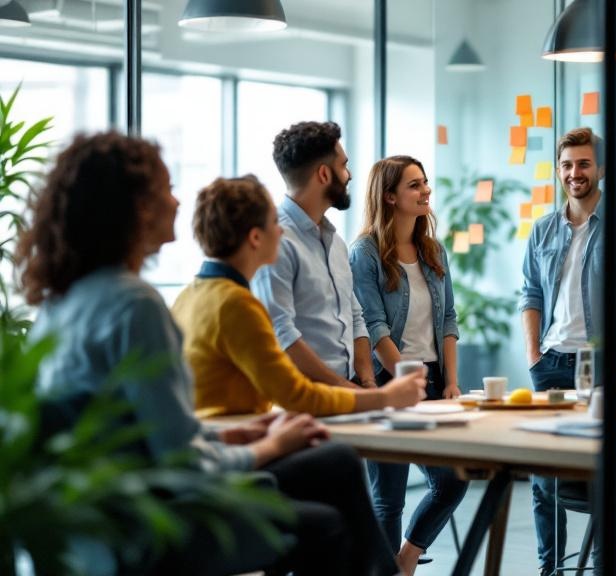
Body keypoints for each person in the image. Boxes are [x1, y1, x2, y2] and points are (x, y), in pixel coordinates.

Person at [17, 131, 409, 575]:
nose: (178, 203)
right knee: (327, 513)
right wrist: (271, 445)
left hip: (107, 512)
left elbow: (140, 433)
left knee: (333, 463)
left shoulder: (61, 305)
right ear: (134, 209)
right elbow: (183, 463)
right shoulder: (136, 305)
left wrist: (230, 437)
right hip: (157, 515)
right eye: (166, 189)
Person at [520, 127, 616, 575]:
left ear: (599, 168)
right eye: (566, 165)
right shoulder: (542, 229)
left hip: (603, 367)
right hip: (552, 364)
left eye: (583, 164)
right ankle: (551, 569)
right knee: (544, 478)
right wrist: (533, 359)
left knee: (603, 477)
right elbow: (530, 297)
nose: (574, 173)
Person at [171, 175, 424, 418]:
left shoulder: (188, 297)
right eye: (274, 223)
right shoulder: (236, 304)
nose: (280, 232)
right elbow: (296, 395)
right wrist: (385, 398)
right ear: (255, 237)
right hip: (231, 447)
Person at [349, 155, 468, 575]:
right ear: (390, 196)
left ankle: (406, 559)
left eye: (425, 182)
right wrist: (404, 381)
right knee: (389, 499)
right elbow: (374, 326)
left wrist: (450, 380)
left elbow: (449, 319)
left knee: (454, 480)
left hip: (432, 382)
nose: (426, 191)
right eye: (415, 185)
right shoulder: (364, 253)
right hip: (388, 381)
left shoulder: (433, 250)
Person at [252, 120, 378, 391]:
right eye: (343, 165)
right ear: (323, 175)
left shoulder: (336, 243)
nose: (350, 174)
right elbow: (280, 334)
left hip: (346, 394)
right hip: (302, 403)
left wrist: (366, 382)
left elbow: (355, 317)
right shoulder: (275, 241)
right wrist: (345, 390)